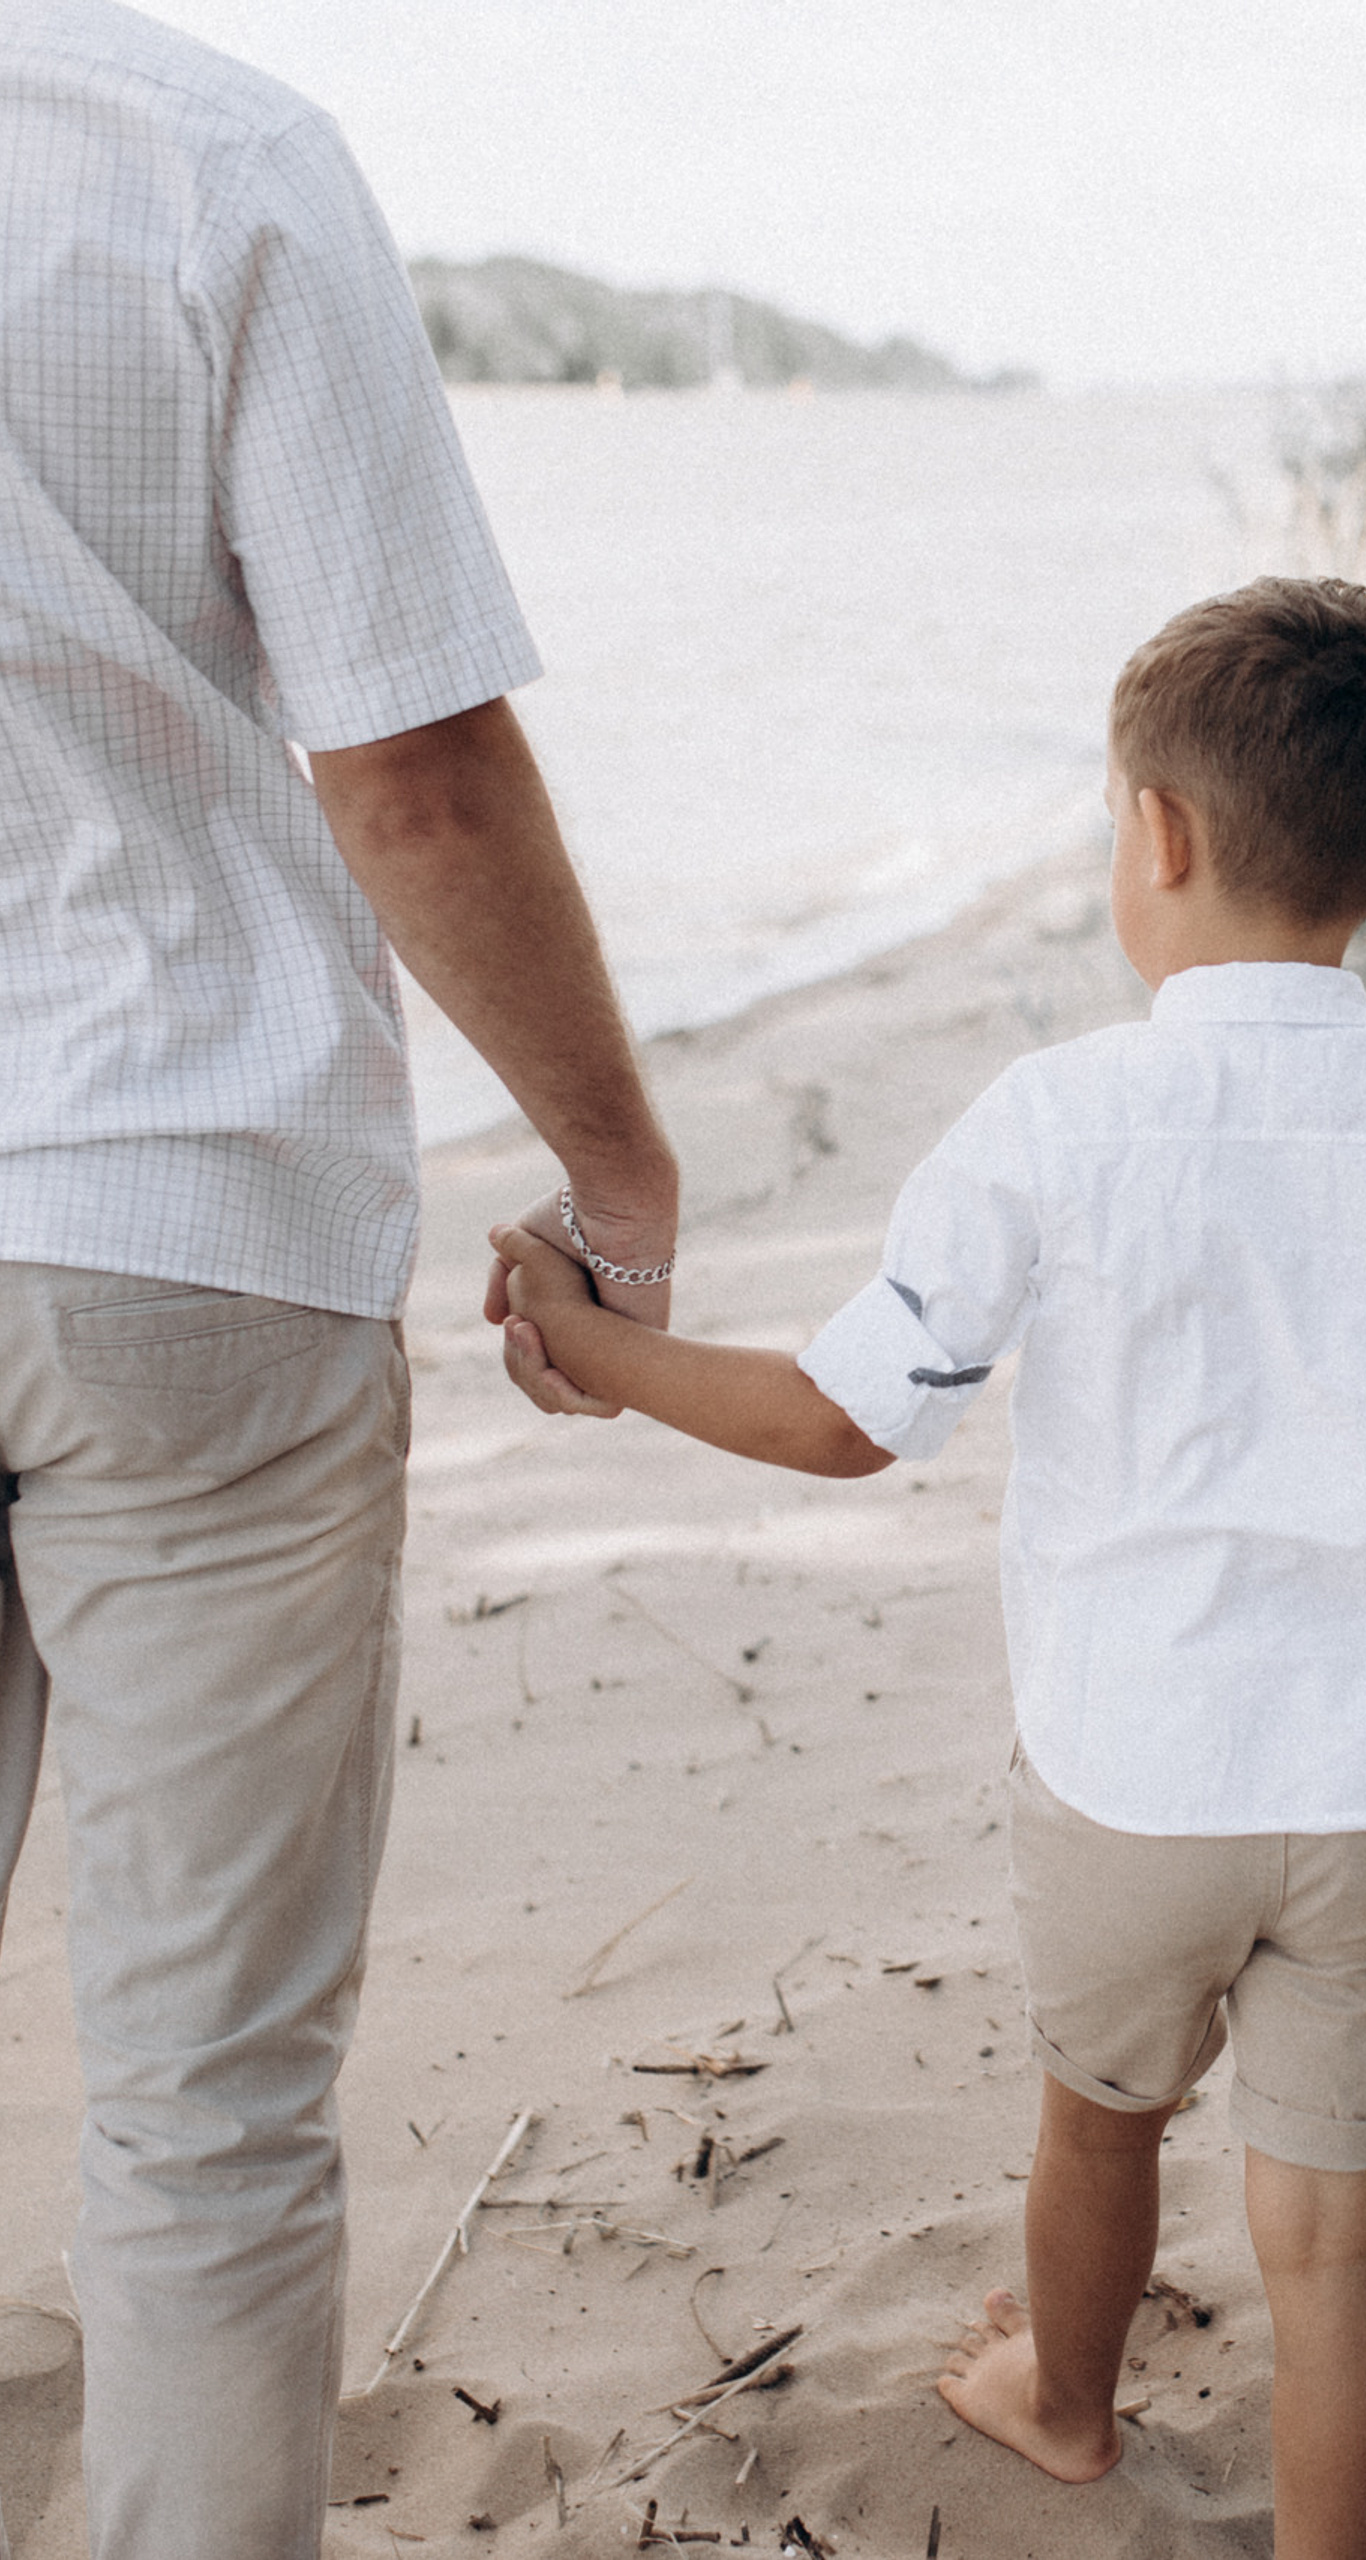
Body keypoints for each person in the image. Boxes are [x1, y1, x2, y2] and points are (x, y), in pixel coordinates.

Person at [488, 576, 1366, 2560]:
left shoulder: (1058, 1117)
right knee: (1338, 2226)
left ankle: (1064, 2397)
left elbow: (847, 1416)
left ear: (1154, 835)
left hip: (1130, 1780)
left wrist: (596, 1350)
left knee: (1098, 2119)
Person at [0, 8, 677, 2556]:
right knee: (204, 2096)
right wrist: (615, 1174)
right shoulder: (204, 152)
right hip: (182, 1202)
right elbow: (406, 758)